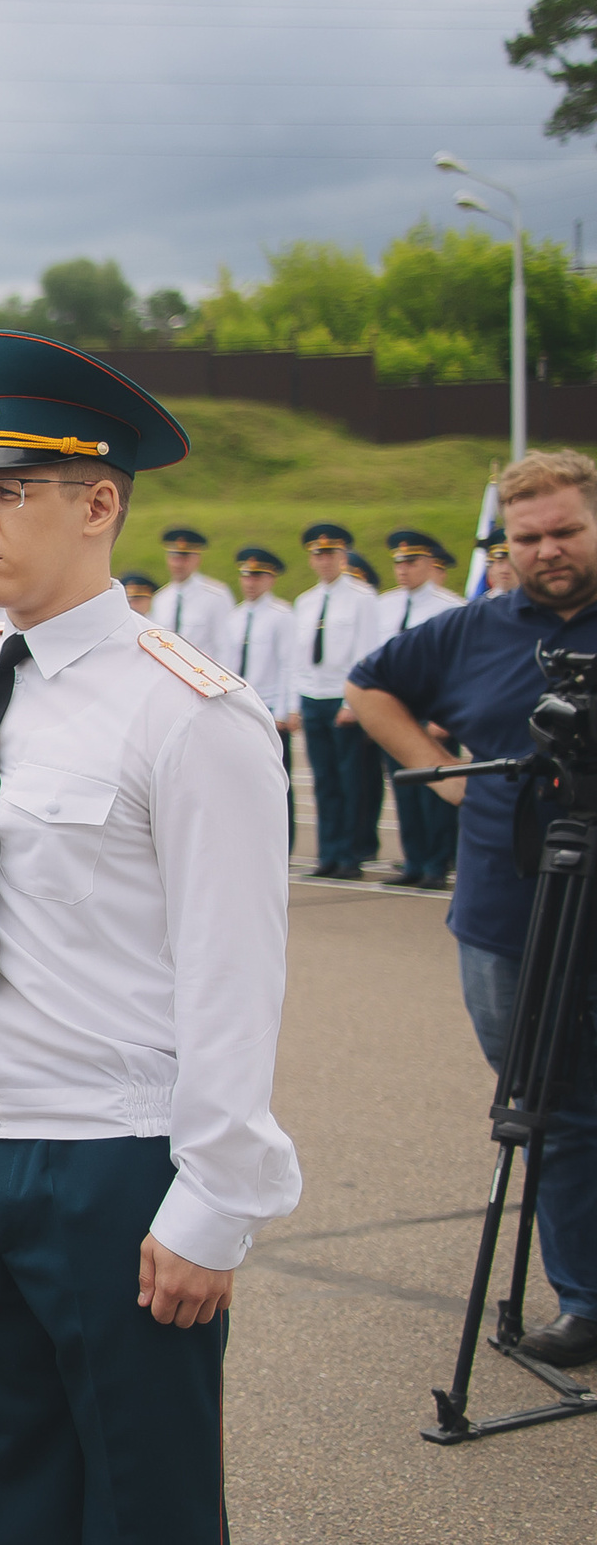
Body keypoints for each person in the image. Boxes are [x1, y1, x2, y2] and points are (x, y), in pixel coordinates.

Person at [0, 329, 299, 1544]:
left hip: (109, 1161)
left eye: (7, 494)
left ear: (97, 504)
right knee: (9, 1466)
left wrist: (214, 1203)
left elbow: (237, 976)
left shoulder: (186, 711)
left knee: (144, 1494)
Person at [346, 448, 597, 1368]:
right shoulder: (473, 630)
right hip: (504, 911)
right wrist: (440, 780)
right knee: (550, 1104)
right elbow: (369, 688)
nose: (548, 550)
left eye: (566, 529)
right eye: (527, 537)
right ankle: (585, 1296)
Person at [376, 530, 466, 888]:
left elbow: (461, 666)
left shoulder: (451, 607)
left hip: (433, 712)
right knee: (406, 791)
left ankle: (436, 864)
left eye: (411, 562)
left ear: (430, 564)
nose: (403, 570)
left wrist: (448, 717)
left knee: (437, 791)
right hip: (396, 709)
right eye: (398, 563)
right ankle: (413, 861)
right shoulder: (384, 605)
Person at [294, 523, 380, 878]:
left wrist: (354, 702)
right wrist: (295, 701)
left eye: (330, 554)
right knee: (324, 781)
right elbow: (296, 657)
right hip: (313, 696)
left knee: (351, 782)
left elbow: (366, 651)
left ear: (343, 556)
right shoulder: (305, 601)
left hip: (342, 699)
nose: (324, 561)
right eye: (318, 554)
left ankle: (349, 855)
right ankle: (327, 853)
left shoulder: (362, 597)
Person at [229, 548, 299, 852]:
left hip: (271, 708)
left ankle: (283, 845)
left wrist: (287, 709)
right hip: (239, 709)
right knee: (241, 780)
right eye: (246, 575)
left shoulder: (282, 616)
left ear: (271, 579)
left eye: (257, 576)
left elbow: (289, 664)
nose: (250, 582)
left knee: (277, 782)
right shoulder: (234, 617)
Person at [157, 527, 234, 658]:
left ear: (197, 559)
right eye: (174, 557)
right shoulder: (161, 599)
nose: (178, 564)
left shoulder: (215, 596)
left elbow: (226, 646)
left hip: (204, 675)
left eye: (184, 558)